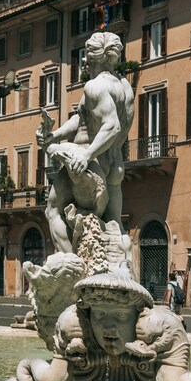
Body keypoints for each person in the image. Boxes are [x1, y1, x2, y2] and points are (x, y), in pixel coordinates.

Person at [36, 31, 135, 253]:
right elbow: (83, 119)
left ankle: (70, 265)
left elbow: (111, 126)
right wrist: (55, 135)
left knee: (53, 209)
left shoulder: (94, 87)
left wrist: (86, 154)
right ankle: (124, 269)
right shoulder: (124, 86)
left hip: (89, 165)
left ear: (94, 58)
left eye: (86, 55)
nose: (83, 60)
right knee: (114, 226)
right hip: (114, 167)